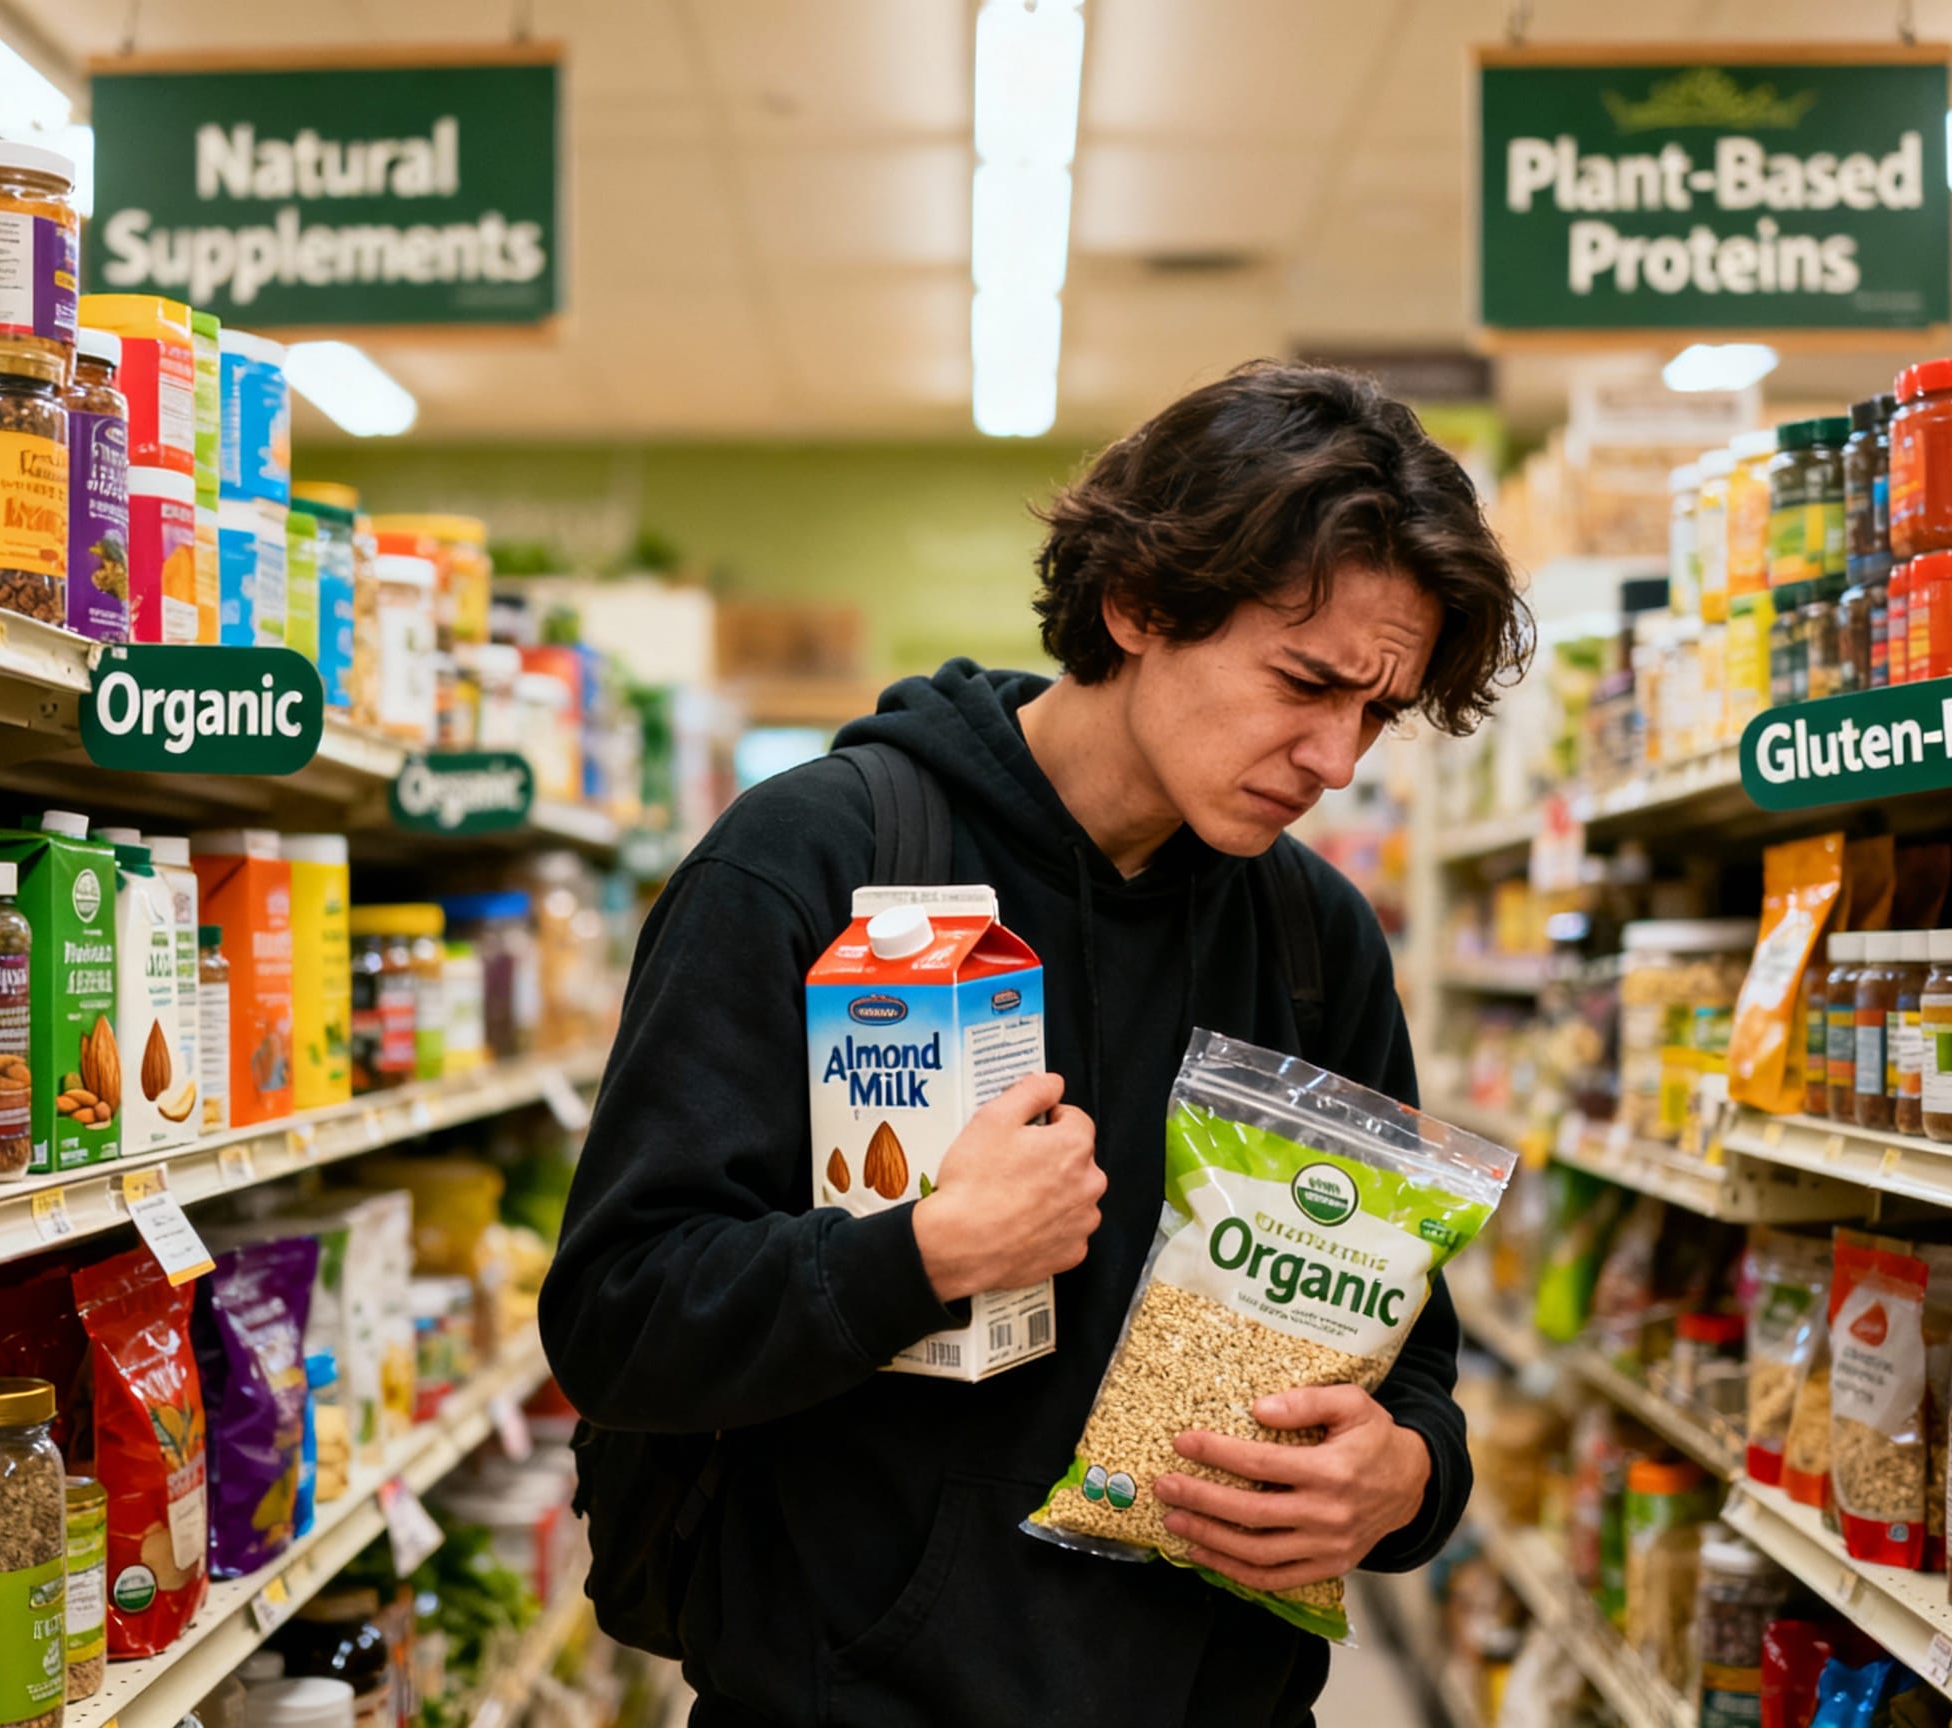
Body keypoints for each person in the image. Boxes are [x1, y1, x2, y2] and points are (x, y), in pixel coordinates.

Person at [540, 360, 1533, 1726]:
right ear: (1138, 605)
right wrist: (924, 1253)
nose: (1338, 760)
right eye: (1303, 684)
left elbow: (1406, 1344)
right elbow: (619, 1317)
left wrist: (1410, 1478)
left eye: (1375, 711)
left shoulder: (1315, 943)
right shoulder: (814, 862)